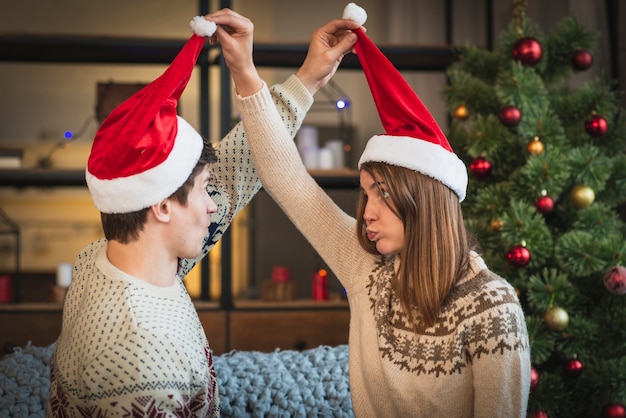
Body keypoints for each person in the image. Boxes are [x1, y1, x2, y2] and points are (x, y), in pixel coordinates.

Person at [223, 3, 531, 417]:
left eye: (382, 194)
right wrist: (244, 70)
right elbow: (287, 179)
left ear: (423, 200)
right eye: (366, 193)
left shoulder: (492, 306)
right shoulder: (367, 270)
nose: (367, 211)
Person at [46, 9, 358, 417]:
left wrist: (308, 76)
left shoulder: (106, 260)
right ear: (160, 207)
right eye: (200, 191)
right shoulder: (141, 364)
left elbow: (233, 172)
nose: (213, 202)